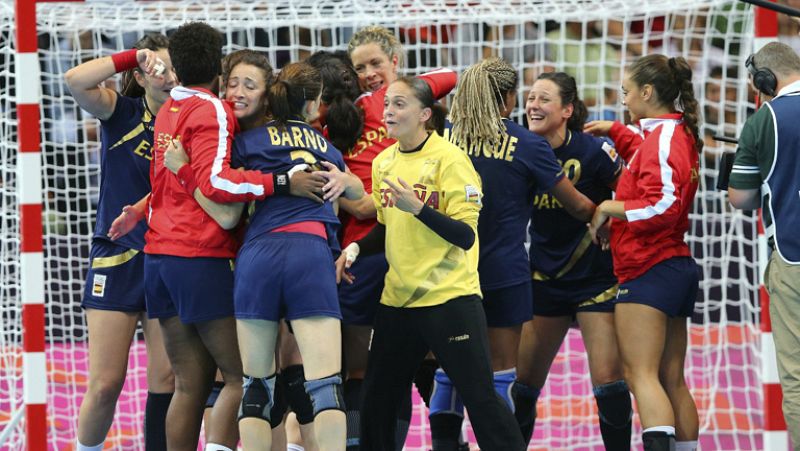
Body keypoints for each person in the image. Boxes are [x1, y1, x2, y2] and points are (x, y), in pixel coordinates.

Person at [142, 22, 319, 451]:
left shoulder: (169, 107)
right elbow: (219, 188)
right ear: (219, 70)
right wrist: (282, 183)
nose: (237, 91)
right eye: (233, 80)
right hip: (200, 257)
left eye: (249, 84)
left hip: (159, 256)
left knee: (191, 382)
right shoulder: (214, 111)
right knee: (245, 376)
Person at [336, 75, 526, 451]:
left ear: (424, 114)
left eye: (399, 104)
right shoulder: (385, 161)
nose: (389, 111)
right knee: (378, 399)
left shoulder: (450, 159)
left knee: (480, 398)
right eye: (387, 104)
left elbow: (465, 235)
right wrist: (355, 249)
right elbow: (389, 226)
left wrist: (420, 209)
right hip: (399, 301)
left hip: (449, 298)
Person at [432, 59, 596, 451]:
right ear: (507, 100)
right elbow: (576, 206)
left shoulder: (442, 140)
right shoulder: (528, 144)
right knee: (502, 375)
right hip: (503, 273)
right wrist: (604, 210)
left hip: (446, 274)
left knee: (448, 373)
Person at [340, 26, 457, 450]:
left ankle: (447, 440)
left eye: (377, 63)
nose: (370, 74)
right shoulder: (346, 112)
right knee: (360, 365)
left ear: (396, 60)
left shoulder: (416, 102)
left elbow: (454, 75)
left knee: (424, 358)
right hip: (363, 248)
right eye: (361, 68)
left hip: (416, 245)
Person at [64, 33, 176, 451]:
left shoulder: (190, 122)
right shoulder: (120, 111)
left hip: (168, 257)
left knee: (166, 381)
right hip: (116, 258)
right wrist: (135, 56)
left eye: (174, 67)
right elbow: (75, 80)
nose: (169, 76)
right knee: (106, 383)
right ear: (142, 75)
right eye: (159, 68)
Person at [584, 54, 702, 451]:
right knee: (671, 379)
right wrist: (617, 130)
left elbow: (664, 205)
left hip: (650, 266)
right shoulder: (670, 133)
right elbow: (650, 159)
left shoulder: (666, 138)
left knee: (641, 376)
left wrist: (607, 208)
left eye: (627, 92)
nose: (624, 100)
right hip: (670, 267)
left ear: (648, 92)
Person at [512, 72, 630, 450]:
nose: (533, 105)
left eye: (544, 99)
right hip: (544, 277)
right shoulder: (520, 150)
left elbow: (633, 197)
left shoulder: (594, 151)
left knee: (609, 382)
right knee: (523, 386)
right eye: (530, 98)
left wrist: (610, 217)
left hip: (596, 280)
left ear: (567, 110)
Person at [728, 41, 800, 450]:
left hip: (793, 257)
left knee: (797, 377)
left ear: (765, 80)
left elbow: (741, 199)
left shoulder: (764, 119)